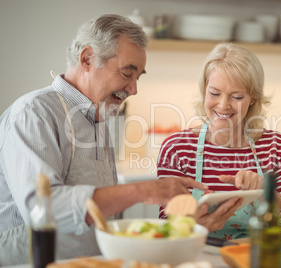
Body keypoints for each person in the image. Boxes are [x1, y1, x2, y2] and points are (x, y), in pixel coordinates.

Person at [0, 14, 206, 266]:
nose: (133, 89)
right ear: (87, 59)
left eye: (138, 77)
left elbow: (106, 216)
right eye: (127, 73)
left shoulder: (99, 120)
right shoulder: (33, 113)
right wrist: (143, 190)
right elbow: (43, 210)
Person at [157, 43, 281, 240]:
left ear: (253, 98)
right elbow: (165, 227)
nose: (223, 105)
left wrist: (266, 192)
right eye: (214, 93)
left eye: (236, 96)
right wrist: (193, 226)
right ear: (204, 91)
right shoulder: (176, 149)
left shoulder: (277, 147)